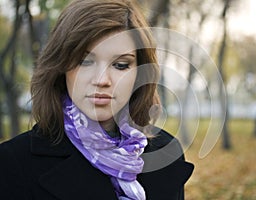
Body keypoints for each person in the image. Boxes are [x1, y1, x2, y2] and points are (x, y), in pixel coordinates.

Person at [0, 0, 194, 199]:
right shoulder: (12, 162)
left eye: (120, 65)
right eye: (85, 61)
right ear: (61, 67)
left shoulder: (167, 152)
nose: (102, 80)